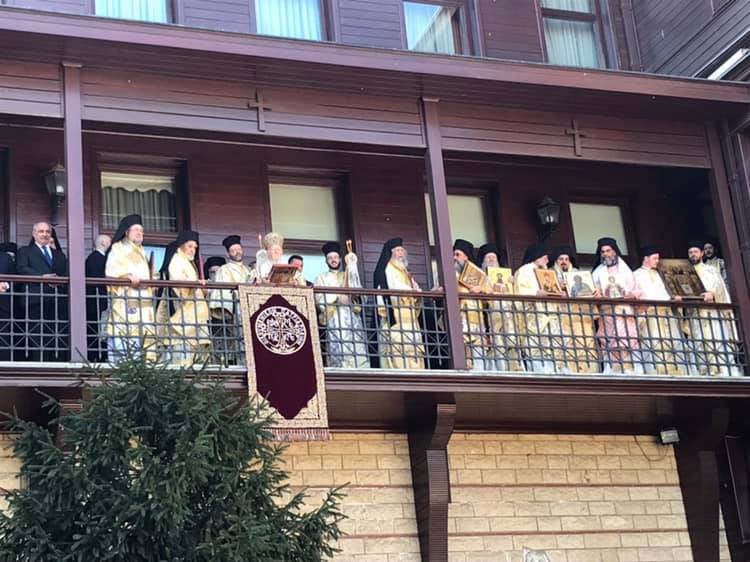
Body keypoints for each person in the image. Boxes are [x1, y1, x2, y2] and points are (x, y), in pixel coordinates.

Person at [633, 245, 691, 375]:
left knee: (673, 343)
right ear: (646, 258)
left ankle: (677, 372)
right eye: (654, 258)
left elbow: (670, 291)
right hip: (650, 316)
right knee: (655, 344)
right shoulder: (636, 275)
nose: (657, 261)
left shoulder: (662, 274)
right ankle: (657, 373)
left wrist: (674, 297)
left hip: (667, 314)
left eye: (658, 258)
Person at [105, 215, 156, 361]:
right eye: (136, 230)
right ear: (127, 232)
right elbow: (111, 271)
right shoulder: (118, 248)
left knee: (143, 341)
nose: (140, 233)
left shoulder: (142, 251)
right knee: (125, 340)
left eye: (142, 231)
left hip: (143, 302)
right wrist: (127, 276)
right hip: (126, 302)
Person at [15, 222, 69, 362]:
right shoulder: (24, 251)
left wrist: (58, 280)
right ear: (34, 234)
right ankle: (39, 364)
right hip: (35, 301)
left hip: (57, 302)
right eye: (41, 231)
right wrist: (42, 278)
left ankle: (57, 366)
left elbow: (65, 274)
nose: (45, 234)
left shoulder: (59, 255)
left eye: (47, 232)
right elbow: (21, 268)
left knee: (57, 336)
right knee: (37, 337)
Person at [156, 230, 211, 366]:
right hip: (182, 311)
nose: (193, 250)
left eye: (195, 248)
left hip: (195, 311)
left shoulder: (188, 262)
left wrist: (202, 290)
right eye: (190, 246)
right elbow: (177, 283)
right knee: (182, 344)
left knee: (195, 345)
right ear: (181, 245)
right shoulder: (176, 259)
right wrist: (195, 285)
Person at [687, 240, 741, 376]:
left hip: (712, 312)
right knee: (698, 342)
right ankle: (703, 371)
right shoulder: (686, 271)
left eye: (695, 252)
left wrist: (712, 294)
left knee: (715, 339)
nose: (693, 254)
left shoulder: (711, 270)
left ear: (702, 253)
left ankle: (722, 370)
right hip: (695, 313)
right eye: (690, 252)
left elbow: (721, 288)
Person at [314, 241, 369, 368]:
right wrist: (337, 299)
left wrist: (353, 297)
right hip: (334, 319)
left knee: (356, 347)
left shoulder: (348, 274)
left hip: (352, 318)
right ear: (326, 261)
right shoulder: (321, 278)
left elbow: (361, 295)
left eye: (335, 257)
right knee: (338, 347)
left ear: (339, 259)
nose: (333, 260)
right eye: (330, 258)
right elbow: (319, 297)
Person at [592, 237, 643, 374]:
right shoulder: (597, 272)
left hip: (624, 312)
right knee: (610, 342)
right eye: (603, 252)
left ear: (615, 251)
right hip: (607, 314)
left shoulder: (625, 270)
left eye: (608, 251)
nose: (606, 254)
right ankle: (613, 371)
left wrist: (631, 294)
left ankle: (631, 371)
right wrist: (597, 294)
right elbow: (592, 292)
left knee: (626, 341)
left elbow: (638, 290)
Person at [373, 238, 425, 370]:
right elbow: (393, 286)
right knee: (398, 350)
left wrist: (417, 292)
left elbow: (414, 287)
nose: (401, 253)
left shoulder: (405, 271)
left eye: (402, 250)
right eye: (397, 250)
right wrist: (411, 291)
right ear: (391, 253)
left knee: (414, 349)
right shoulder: (388, 269)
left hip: (410, 317)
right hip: (396, 316)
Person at [513, 243, 562, 373]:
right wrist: (536, 294)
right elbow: (520, 293)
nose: (547, 259)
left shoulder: (548, 272)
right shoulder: (524, 270)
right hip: (534, 317)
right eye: (545, 256)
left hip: (551, 318)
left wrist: (559, 293)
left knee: (553, 349)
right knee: (535, 350)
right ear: (537, 256)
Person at [551, 245, 599, 373]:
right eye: (561, 259)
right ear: (556, 261)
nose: (564, 262)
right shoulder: (551, 274)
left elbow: (589, 292)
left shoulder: (578, 273)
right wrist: (558, 288)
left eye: (566, 259)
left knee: (584, 344)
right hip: (562, 317)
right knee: (566, 346)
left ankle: (588, 372)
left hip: (580, 317)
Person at [477, 243, 523, 372]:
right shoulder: (481, 277)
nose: (491, 260)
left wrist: (512, 284)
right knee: (497, 343)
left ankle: (515, 366)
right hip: (491, 315)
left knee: (512, 340)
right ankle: (500, 368)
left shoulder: (506, 276)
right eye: (488, 257)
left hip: (509, 315)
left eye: (493, 257)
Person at [208, 236, 252, 365]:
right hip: (236, 308)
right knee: (240, 338)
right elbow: (224, 292)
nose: (237, 252)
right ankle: (243, 363)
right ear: (228, 254)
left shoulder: (248, 270)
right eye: (233, 250)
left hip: (250, 307)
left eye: (239, 249)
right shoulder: (224, 269)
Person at [453, 239, 487, 371]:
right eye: (453, 255)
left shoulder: (478, 273)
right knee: (463, 349)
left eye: (457, 254)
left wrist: (481, 289)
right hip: (460, 317)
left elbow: (489, 292)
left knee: (479, 350)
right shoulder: (450, 273)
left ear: (466, 257)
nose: (454, 258)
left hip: (477, 319)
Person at [85, 234, 111, 362]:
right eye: (109, 242)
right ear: (103, 243)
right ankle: (96, 356)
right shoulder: (96, 258)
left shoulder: (95, 257)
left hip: (97, 300)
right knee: (96, 328)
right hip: (95, 300)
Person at [0, 248, 14, 361]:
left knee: (3, 337)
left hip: (2, 306)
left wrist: (5, 285)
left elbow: (15, 278)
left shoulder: (5, 257)